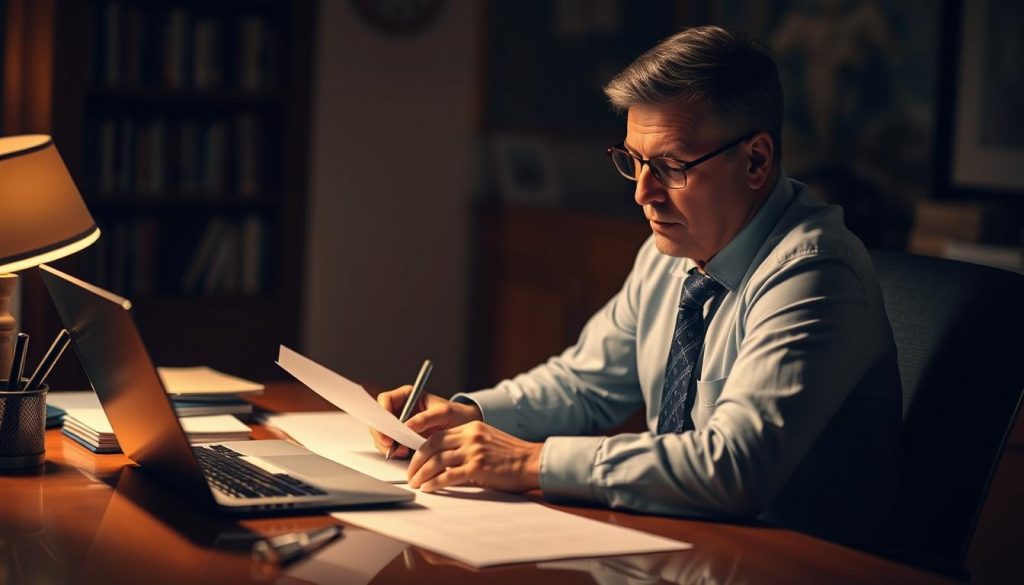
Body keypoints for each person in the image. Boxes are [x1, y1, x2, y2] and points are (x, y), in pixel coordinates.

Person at [370, 25, 902, 545]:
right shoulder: (669, 254)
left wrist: (530, 460)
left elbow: (732, 467)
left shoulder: (813, 274)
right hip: (680, 542)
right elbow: (584, 384)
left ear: (756, 160)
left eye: (671, 166)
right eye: (634, 161)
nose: (643, 194)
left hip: (797, 563)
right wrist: (469, 415)